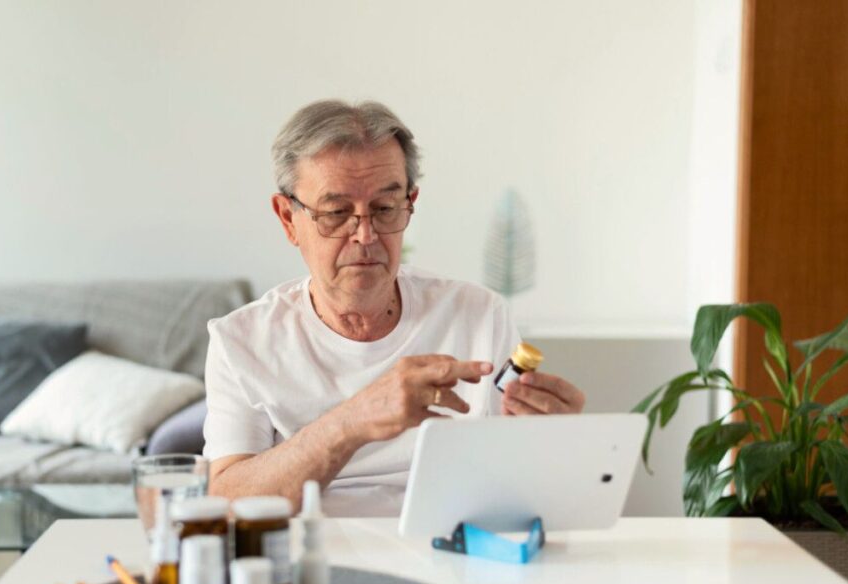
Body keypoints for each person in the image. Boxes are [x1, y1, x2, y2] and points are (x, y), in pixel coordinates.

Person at [204, 100, 585, 516]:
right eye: (336, 213)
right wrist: (352, 421)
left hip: (451, 550)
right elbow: (224, 503)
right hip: (310, 560)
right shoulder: (240, 340)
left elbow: (516, 485)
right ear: (288, 219)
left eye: (385, 209)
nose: (365, 235)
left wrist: (552, 442)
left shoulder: (478, 315)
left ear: (410, 203)